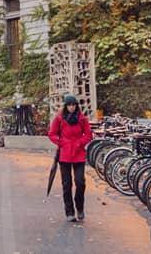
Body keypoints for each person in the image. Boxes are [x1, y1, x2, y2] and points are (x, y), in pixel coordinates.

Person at [47, 95, 93, 223]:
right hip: (65, 155)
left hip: (79, 155)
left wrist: (80, 143)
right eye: (69, 105)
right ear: (66, 106)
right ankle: (69, 211)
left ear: (76, 106)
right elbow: (52, 134)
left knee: (80, 182)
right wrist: (62, 142)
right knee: (66, 184)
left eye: (73, 105)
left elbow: (88, 134)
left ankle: (79, 207)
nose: (71, 107)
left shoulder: (82, 119)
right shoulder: (59, 119)